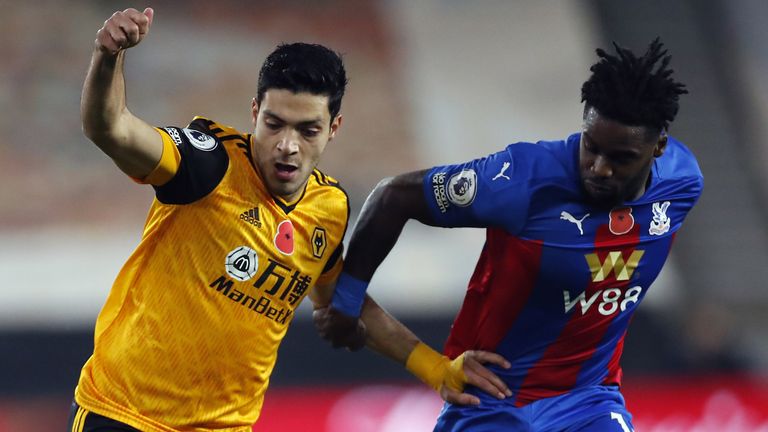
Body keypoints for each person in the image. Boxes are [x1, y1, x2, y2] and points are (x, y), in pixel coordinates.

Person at [69, 7, 509, 432]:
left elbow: (341, 301)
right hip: (125, 415)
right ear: (254, 112)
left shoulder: (329, 208)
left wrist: (436, 369)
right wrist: (108, 56)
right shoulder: (207, 165)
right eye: (275, 124)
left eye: (307, 130)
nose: (287, 145)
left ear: (333, 128)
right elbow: (110, 128)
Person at [318, 38, 702, 431]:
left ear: (658, 147)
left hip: (588, 401)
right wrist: (347, 304)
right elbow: (393, 196)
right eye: (592, 147)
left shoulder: (682, 184)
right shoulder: (522, 179)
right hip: (490, 401)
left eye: (621, 158)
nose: (600, 168)